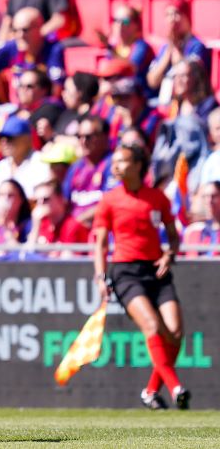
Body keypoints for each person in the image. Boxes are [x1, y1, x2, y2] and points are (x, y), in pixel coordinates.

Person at [93, 143, 190, 410]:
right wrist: (101, 276)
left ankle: (150, 391)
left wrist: (170, 254)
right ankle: (175, 387)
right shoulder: (109, 200)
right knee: (151, 326)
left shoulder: (157, 198)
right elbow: (100, 243)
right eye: (114, 161)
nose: (116, 166)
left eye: (122, 161)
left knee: (175, 332)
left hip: (156, 270)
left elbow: (173, 236)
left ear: (138, 165)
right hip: (126, 272)